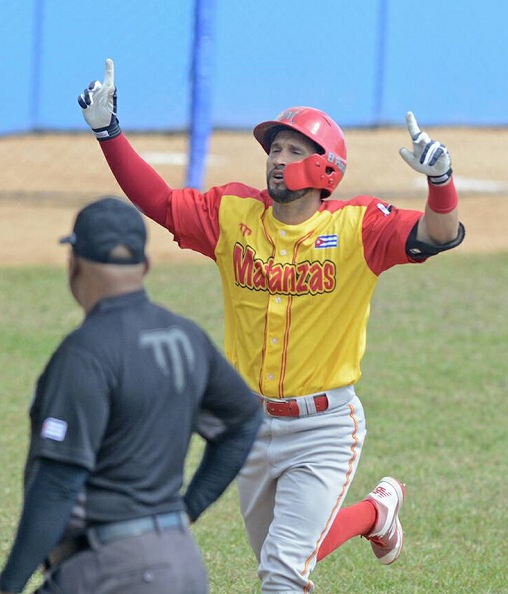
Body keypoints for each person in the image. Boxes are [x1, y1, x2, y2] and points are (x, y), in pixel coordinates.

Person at [77, 59, 466, 593]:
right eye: (275, 150)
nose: (278, 160)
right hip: (249, 426)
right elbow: (162, 203)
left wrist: (440, 182)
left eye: (293, 151)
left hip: (325, 428)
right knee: (288, 552)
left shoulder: (359, 227)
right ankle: (377, 513)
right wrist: (108, 133)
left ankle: (371, 514)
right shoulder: (232, 215)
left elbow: (440, 234)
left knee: (282, 572)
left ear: (326, 168)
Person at [0, 197, 264, 594]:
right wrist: (183, 513)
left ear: (74, 263)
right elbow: (244, 421)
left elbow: (58, 482)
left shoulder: (83, 353)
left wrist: (9, 584)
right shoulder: (186, 336)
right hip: (184, 567)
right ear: (146, 266)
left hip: (110, 573)